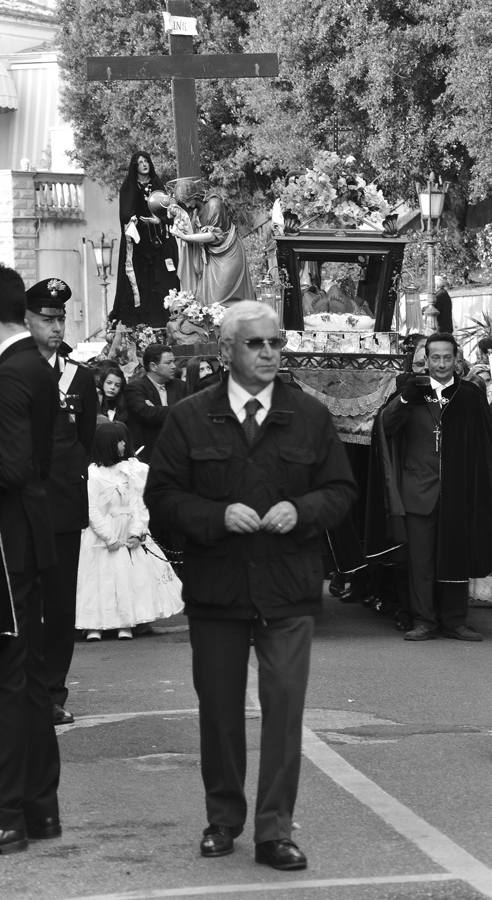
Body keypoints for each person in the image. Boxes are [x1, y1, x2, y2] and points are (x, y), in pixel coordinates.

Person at [144, 301, 355, 871]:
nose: (269, 353)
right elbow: (159, 500)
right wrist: (215, 517)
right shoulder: (189, 417)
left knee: (284, 710)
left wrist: (301, 508)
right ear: (226, 351)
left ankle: (274, 830)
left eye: (276, 342)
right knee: (218, 709)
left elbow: (341, 490)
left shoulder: (309, 414)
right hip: (219, 588)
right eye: (256, 343)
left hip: (288, 585)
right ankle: (223, 818)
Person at [381, 331, 492, 642]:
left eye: (446, 358)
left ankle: (454, 621)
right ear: (425, 361)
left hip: (457, 492)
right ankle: (424, 619)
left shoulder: (469, 396)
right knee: (420, 562)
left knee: (455, 557)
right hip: (418, 491)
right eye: (434, 358)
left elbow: (485, 445)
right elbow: (385, 428)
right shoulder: (409, 393)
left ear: (456, 360)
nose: (440, 364)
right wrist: (407, 398)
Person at [0, 265, 61, 853]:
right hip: (24, 536)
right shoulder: (31, 368)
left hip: (9, 544)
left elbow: (16, 466)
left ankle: (9, 813)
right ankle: (38, 809)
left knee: (12, 681)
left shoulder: (11, 372)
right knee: (29, 679)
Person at [24, 278, 98, 725]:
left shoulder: (79, 377)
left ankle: (53, 692)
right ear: (27, 319)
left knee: (59, 605)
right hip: (21, 506)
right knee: (21, 603)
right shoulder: (13, 371)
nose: (56, 327)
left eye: (60, 319)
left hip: (64, 509)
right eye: (47, 319)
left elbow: (85, 441)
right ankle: (23, 688)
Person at [76, 422, 183, 641]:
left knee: (127, 577)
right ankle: (96, 625)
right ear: (108, 444)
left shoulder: (128, 471)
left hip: (127, 531)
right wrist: (109, 536)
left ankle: (126, 623)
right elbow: (92, 509)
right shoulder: (92, 473)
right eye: (120, 440)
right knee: (101, 578)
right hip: (102, 535)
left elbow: (138, 503)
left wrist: (137, 532)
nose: (125, 444)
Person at [109, 151, 180, 328]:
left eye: (146, 161)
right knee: (138, 279)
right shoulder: (129, 186)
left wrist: (159, 220)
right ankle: (138, 320)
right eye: (140, 162)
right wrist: (131, 218)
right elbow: (125, 212)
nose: (144, 164)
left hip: (157, 239)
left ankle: (164, 317)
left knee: (162, 279)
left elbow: (168, 212)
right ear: (135, 166)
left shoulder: (157, 184)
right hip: (138, 241)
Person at [168, 177, 254, 306]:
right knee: (208, 299)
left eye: (186, 201)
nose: (186, 205)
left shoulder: (214, 204)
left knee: (222, 298)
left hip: (228, 253)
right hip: (212, 256)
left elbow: (212, 236)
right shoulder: (196, 209)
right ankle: (214, 323)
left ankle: (232, 323)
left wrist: (184, 237)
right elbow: (192, 230)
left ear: (195, 196)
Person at [125, 344, 185, 463]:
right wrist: (178, 411)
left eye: (174, 362)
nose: (174, 366)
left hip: (178, 453)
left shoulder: (181, 387)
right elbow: (145, 414)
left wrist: (156, 410)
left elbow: (190, 413)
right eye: (168, 363)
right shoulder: (135, 388)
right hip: (149, 455)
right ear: (153, 366)